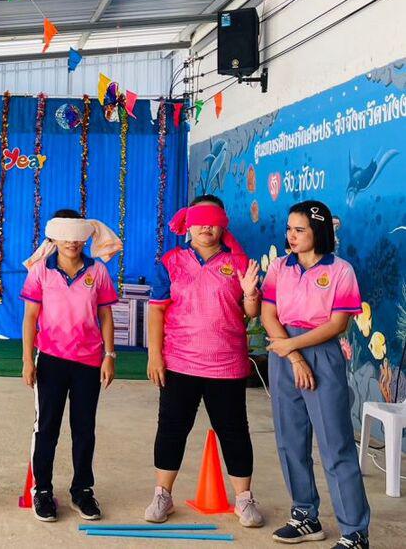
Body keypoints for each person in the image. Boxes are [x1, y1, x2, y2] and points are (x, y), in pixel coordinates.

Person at [145, 195, 264, 528]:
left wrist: (250, 293)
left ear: (222, 224)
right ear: (188, 223)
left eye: (213, 222)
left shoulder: (239, 262)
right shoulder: (171, 262)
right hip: (179, 362)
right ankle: (162, 495)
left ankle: (244, 499)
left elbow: (251, 312)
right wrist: (155, 355)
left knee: (234, 431)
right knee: (171, 428)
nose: (206, 228)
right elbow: (156, 311)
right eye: (199, 221)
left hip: (226, 364)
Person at [262, 200, 370, 549]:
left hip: (321, 352)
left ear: (318, 231)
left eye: (300, 230)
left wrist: (296, 349)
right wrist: (293, 356)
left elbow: (338, 324)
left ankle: (355, 532)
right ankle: (305, 515)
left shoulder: (341, 271)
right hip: (284, 353)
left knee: (335, 444)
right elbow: (268, 315)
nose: (291, 236)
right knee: (290, 440)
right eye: (289, 229)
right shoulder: (280, 267)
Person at [20, 209, 123, 523]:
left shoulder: (98, 271)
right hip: (51, 360)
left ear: (84, 236)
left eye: (77, 236)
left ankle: (82, 490)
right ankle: (42, 490)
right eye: (65, 236)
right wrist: (27, 360)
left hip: (88, 362)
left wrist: (109, 355)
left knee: (84, 428)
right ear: (54, 236)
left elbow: (105, 315)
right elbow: (30, 317)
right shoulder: (40, 270)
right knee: (46, 427)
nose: (72, 242)